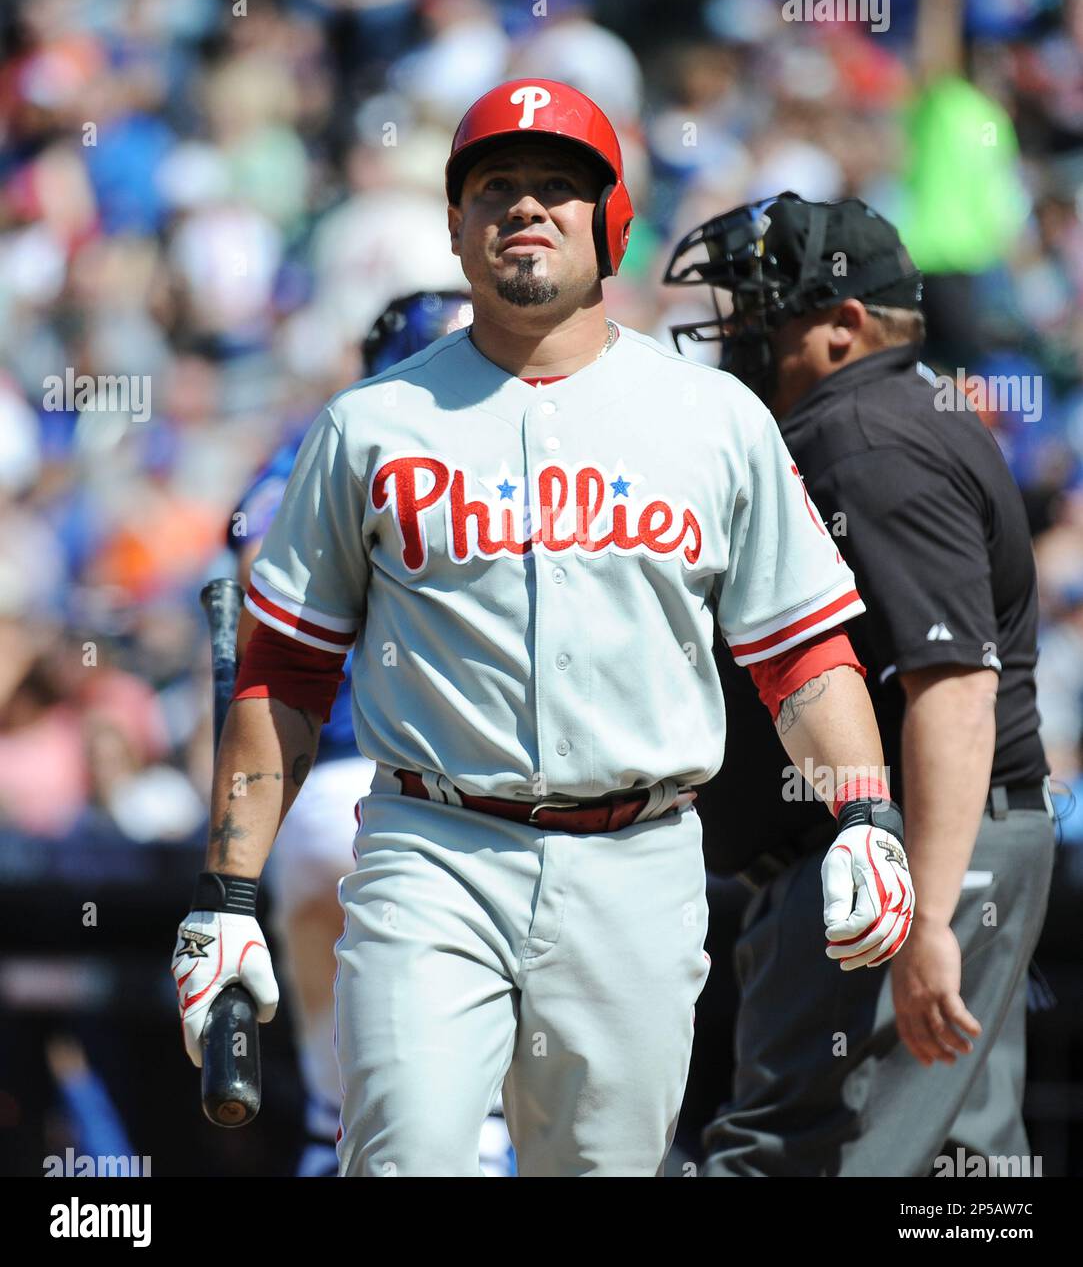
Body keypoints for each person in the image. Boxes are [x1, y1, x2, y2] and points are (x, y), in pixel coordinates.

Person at [172, 82, 913, 1178]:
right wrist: (229, 889)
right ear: (458, 229)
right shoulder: (368, 425)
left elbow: (803, 654)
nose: (526, 208)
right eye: (497, 188)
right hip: (433, 847)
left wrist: (866, 811)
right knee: (410, 1158)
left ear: (611, 225)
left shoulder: (713, 419)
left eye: (559, 187)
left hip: (640, 858)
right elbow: (284, 672)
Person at [663, 192, 1056, 1177]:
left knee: (790, 1157)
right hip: (954, 844)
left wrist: (924, 917)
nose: (737, 335)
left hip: (899, 853)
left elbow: (956, 685)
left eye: (761, 313)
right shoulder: (902, 410)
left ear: (842, 327)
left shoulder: (860, 434)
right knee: (958, 1176)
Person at [225, 289, 513, 1177]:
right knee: (484, 1111)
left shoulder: (314, 444)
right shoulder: (494, 449)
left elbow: (245, 570)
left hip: (308, 798)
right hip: (439, 802)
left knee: (336, 1110)